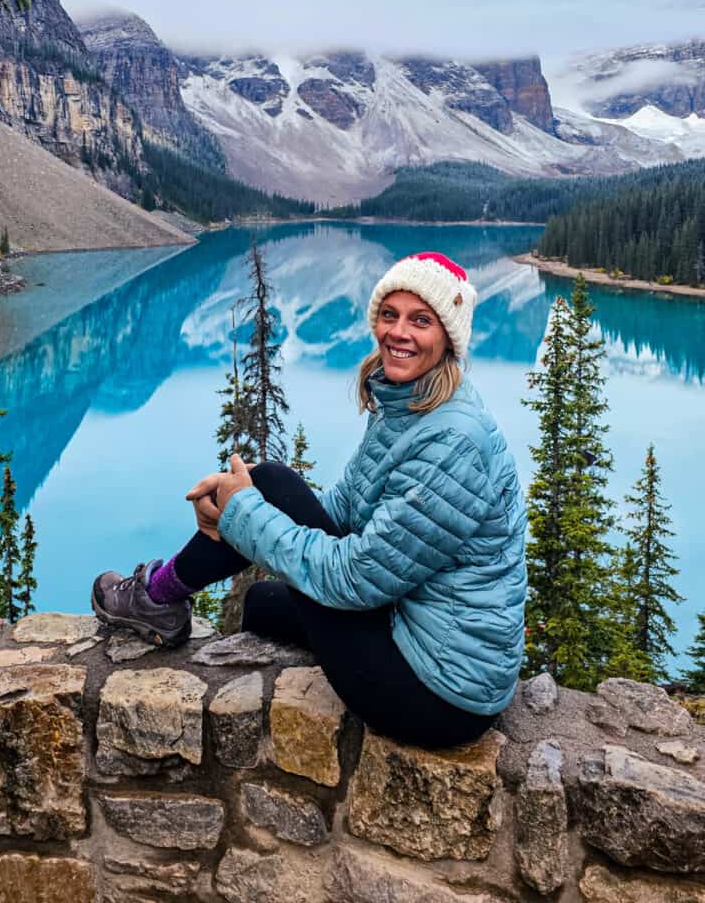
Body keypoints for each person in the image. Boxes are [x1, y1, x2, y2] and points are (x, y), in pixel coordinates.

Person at [92, 251, 527, 749]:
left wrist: (243, 514)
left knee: (269, 493)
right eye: (390, 315)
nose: (398, 332)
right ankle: (162, 596)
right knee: (260, 605)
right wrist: (237, 504)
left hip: (440, 694)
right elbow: (342, 510)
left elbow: (356, 576)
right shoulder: (409, 407)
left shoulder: (454, 441)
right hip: (411, 619)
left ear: (448, 338)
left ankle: (157, 598)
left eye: (420, 321)